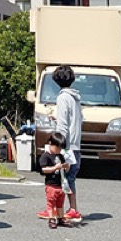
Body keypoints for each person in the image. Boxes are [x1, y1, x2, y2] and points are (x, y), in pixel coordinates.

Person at [52, 64, 84, 222]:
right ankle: (72, 209)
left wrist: (58, 145)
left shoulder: (63, 98)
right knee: (69, 178)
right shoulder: (75, 97)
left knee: (60, 176)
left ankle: (58, 209)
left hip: (67, 145)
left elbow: (63, 125)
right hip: (76, 144)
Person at [37, 132, 70, 228]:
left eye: (60, 149)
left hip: (60, 184)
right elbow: (43, 169)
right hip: (51, 184)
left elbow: (65, 169)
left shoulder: (60, 156)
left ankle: (60, 217)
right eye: (57, 148)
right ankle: (51, 218)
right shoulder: (45, 156)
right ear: (50, 144)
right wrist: (55, 168)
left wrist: (67, 167)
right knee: (51, 202)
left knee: (60, 202)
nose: (59, 150)